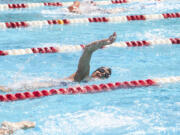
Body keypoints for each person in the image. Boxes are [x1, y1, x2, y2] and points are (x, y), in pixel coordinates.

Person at [0, 32, 116, 92]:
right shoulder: (84, 75)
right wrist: (104, 42)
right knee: (7, 89)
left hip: (52, 88)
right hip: (51, 85)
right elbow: (88, 50)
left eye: (106, 75)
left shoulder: (89, 82)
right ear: (95, 70)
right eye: (101, 70)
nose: (102, 74)